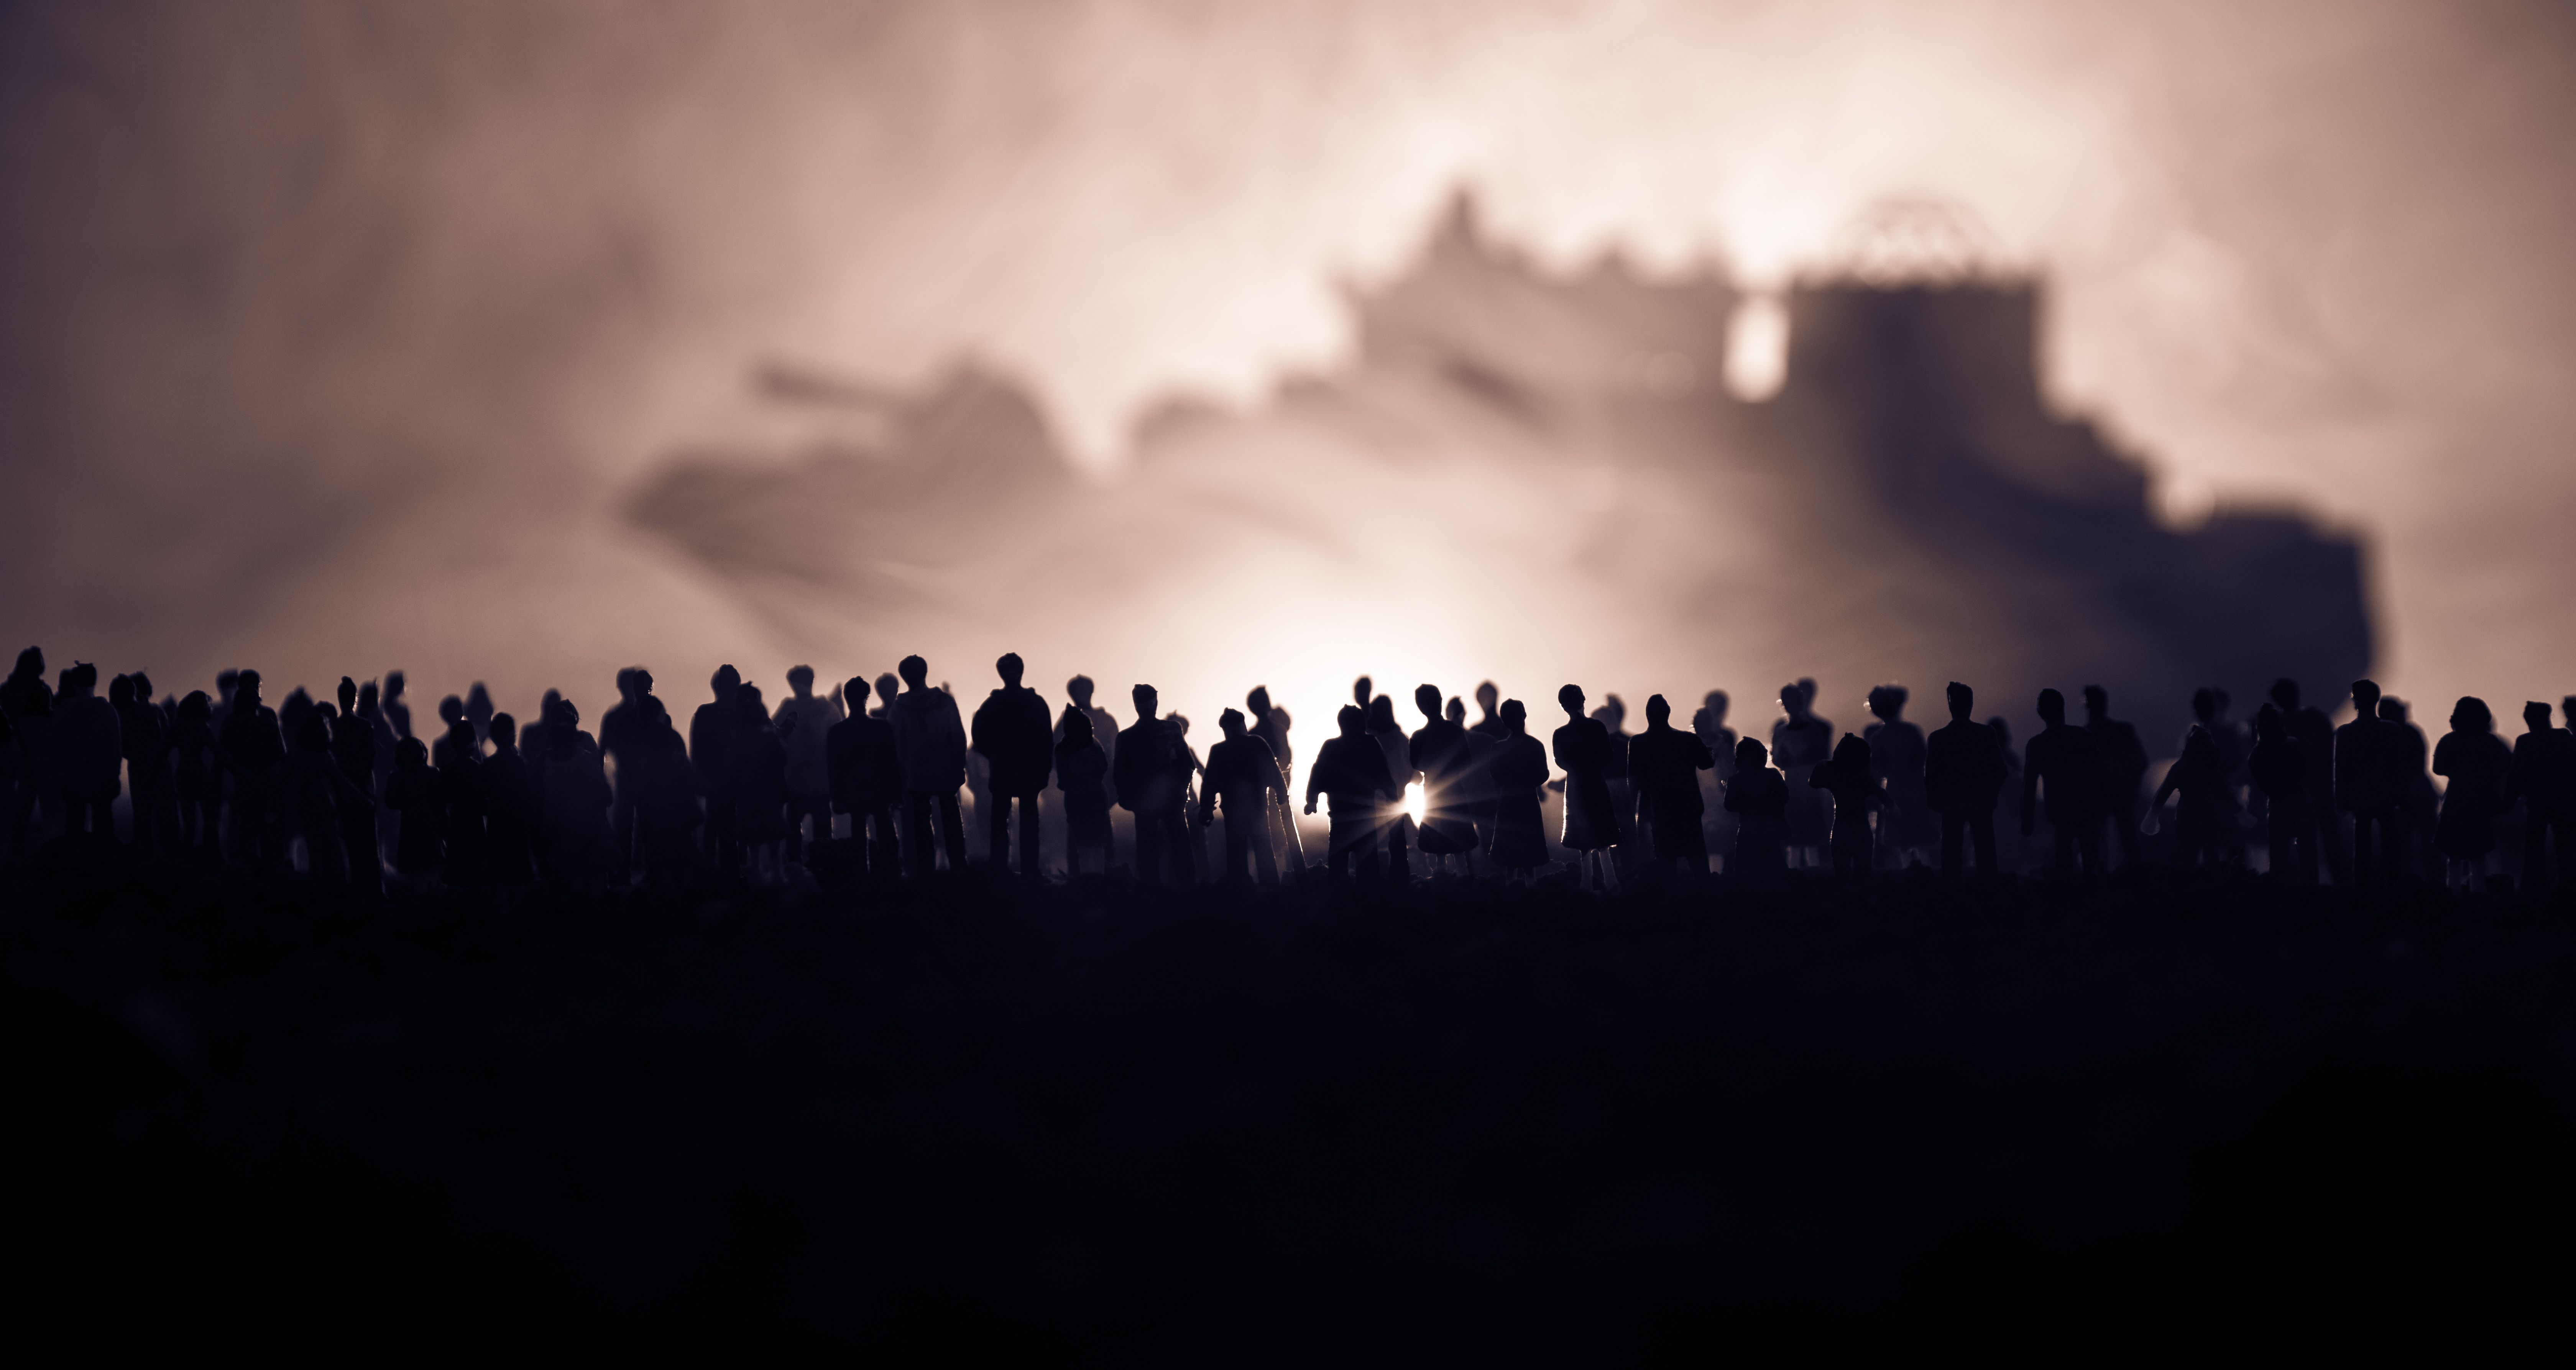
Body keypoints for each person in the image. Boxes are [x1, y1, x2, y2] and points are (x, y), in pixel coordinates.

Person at [970, 653, 1053, 878]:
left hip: (1004, 771)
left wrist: (994, 755)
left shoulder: (992, 705)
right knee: (1026, 821)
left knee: (1001, 822)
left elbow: (979, 736)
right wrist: (1043, 767)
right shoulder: (1036, 703)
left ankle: (1001, 869)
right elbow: (1047, 740)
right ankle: (1028, 870)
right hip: (1026, 772)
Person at [1305, 704, 1401, 880]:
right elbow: (1385, 777)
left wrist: (1312, 800)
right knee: (1363, 865)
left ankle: (1345, 897)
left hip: (1345, 817)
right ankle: (1361, 897)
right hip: (1358, 817)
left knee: (1343, 863)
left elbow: (1317, 774)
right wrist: (1393, 800)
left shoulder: (1332, 746)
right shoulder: (1368, 744)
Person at [891, 656, 968, 877]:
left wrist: (902, 772)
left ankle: (927, 869)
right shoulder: (944, 701)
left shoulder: (900, 708)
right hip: (944, 770)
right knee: (950, 817)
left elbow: (895, 744)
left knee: (922, 823)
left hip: (917, 774)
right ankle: (958, 865)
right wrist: (958, 765)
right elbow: (958, 736)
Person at [1627, 694, 1714, 879]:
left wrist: (1632, 811)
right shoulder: (1689, 740)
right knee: (1697, 861)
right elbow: (1707, 763)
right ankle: (1709, 902)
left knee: (1666, 865)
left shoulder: (1638, 743)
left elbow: (1633, 781)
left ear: (1648, 715)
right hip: (1689, 809)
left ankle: (1671, 904)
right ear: (1668, 713)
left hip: (1658, 812)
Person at [1924, 683, 2006, 876]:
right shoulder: (1986, 734)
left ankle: (1953, 894)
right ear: (1971, 704)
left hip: (1951, 802)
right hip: (1980, 800)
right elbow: (2000, 771)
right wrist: (1991, 796)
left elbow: (1931, 776)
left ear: (1950, 705)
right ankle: (1989, 891)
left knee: (1951, 853)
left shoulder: (1937, 738)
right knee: (1985, 851)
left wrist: (1935, 800)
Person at [827, 676, 905, 880]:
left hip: (854, 793)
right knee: (888, 836)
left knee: (858, 837)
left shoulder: (837, 732)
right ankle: (892, 877)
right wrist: (897, 792)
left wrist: (836, 797)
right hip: (880, 792)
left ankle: (862, 877)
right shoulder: (882, 728)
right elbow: (892, 763)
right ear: (867, 698)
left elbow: (834, 769)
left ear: (846, 699)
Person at [1117, 684, 1196, 885]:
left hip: (1150, 801)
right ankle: (1187, 891)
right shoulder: (1170, 730)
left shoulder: (1127, 738)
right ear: (1156, 704)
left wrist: (1129, 801)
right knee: (1178, 847)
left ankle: (1153, 892)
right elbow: (1187, 765)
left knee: (1150, 849)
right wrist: (1180, 790)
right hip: (1165, 800)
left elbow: (1120, 775)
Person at [2431, 696, 2510, 892]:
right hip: (2480, 801)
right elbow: (2501, 767)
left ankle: (2454, 893)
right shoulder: (2491, 742)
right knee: (2478, 854)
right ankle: (2478, 893)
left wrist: (2457, 772)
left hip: (2456, 801)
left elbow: (2438, 767)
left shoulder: (2450, 740)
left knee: (2454, 855)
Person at [2022, 689, 2104, 877]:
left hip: (2059, 814)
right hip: (2088, 810)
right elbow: (2099, 774)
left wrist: (2027, 820)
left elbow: (2030, 786)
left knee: (2063, 866)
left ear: (2040, 712)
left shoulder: (2037, 745)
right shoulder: (2084, 736)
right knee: (2092, 867)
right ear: (2062, 709)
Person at [2271, 679, 2346, 884]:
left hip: (2294, 794)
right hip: (2322, 790)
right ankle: (2342, 885)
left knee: (2303, 844)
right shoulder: (2319, 719)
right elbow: (2332, 757)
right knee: (2331, 841)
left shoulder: (2277, 725)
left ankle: (2308, 887)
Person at [1199, 708, 1285, 885]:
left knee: (1238, 852)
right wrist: (1281, 793)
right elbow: (1274, 771)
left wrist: (1206, 809)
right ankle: (1270, 889)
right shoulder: (1257, 743)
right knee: (1262, 850)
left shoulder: (1220, 750)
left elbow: (1209, 783)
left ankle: (1241, 890)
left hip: (1236, 812)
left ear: (1226, 729)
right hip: (1254, 809)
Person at [2335, 679, 2407, 886]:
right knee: (2390, 848)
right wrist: (2403, 796)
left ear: (2356, 703)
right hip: (2388, 796)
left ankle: (2362, 890)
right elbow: (2400, 767)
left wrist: (2341, 799)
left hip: (2360, 798)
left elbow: (2341, 770)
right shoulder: (2392, 730)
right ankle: (2391, 889)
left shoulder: (2345, 733)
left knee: (2362, 848)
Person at [2504, 701, 2576, 894]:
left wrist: (2509, 800)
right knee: (2565, 845)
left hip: (2538, 802)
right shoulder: (2564, 737)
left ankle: (2535, 886)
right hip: (2563, 800)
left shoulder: (2525, 742)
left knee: (2535, 845)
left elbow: (2516, 774)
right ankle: (2568, 885)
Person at [1553, 684, 1620, 892]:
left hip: (1575, 787)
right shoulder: (1597, 728)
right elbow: (1608, 756)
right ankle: (1611, 882)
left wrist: (1576, 767)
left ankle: (1587, 884)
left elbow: (1560, 761)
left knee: (1582, 840)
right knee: (1603, 836)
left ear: (1564, 707)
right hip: (1596, 784)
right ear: (1583, 700)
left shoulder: (1560, 734)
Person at [1408, 683, 1479, 872]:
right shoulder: (1455, 731)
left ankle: (1442, 874)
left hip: (1433, 789)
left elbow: (1416, 764)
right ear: (1440, 701)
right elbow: (1466, 760)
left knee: (1436, 830)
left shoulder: (1418, 736)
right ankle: (1462, 875)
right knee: (1457, 831)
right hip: (1454, 788)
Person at [2147, 726, 2240, 870]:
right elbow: (2224, 794)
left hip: (2189, 820)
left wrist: (2153, 817)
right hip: (2205, 820)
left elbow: (2163, 794)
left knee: (2192, 857)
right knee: (2208, 857)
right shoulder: (2209, 770)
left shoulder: (2182, 768)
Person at [221, 670, 287, 870]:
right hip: (263, 783)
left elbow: (223, 754)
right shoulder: (267, 718)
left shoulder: (230, 720)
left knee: (242, 829)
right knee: (264, 828)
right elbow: (281, 753)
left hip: (242, 782)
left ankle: (240, 868)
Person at [1864, 685, 1932, 869]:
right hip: (1917, 790)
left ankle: (1905, 877)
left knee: (1901, 844)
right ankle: (1930, 877)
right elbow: (1921, 759)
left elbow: (1879, 769)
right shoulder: (1912, 731)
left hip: (1895, 792)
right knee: (1921, 841)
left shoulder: (1878, 737)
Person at [2082, 686, 2148, 869]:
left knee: (2096, 840)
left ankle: (2098, 878)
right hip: (2119, 793)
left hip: (2100, 795)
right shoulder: (2123, 731)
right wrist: (2130, 787)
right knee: (2128, 839)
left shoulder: (2086, 735)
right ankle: (2137, 876)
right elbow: (2141, 761)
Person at [600, 666, 656, 882]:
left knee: (630, 826)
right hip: (637, 779)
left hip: (631, 778)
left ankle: (627, 871)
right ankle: (635, 870)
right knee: (635, 826)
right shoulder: (650, 715)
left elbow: (602, 749)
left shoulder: (616, 717)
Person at [1485, 700, 1551, 881]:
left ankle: (1511, 888)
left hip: (1507, 804)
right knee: (1529, 849)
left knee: (1509, 851)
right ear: (1524, 716)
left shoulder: (1497, 748)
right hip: (1529, 802)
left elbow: (1495, 776)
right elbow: (1543, 775)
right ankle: (1531, 888)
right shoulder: (1536, 746)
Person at [55, 663, 121, 843]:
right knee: (104, 833)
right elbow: (115, 747)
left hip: (73, 781)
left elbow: (56, 746)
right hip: (102, 781)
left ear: (74, 684)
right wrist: (114, 775)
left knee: (74, 832)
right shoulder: (107, 710)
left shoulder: (63, 711)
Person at [732, 684, 790, 886]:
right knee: (773, 833)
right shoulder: (770, 739)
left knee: (752, 835)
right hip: (771, 792)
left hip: (748, 792)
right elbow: (782, 761)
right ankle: (776, 872)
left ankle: (756, 871)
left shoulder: (738, 740)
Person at [1771, 681, 1833, 868]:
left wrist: (1791, 760)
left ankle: (1802, 873)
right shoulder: (1812, 729)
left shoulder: (1783, 731)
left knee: (1804, 831)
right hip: (1799, 783)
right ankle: (1809, 874)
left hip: (1800, 783)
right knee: (1802, 831)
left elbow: (1777, 759)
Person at [330, 676, 382, 893]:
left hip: (341, 791)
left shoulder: (333, 727)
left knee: (351, 843)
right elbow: (370, 756)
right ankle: (375, 889)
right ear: (354, 699)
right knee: (369, 844)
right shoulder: (364, 726)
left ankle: (356, 888)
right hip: (363, 789)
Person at [691, 665, 744, 874]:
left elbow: (696, 751)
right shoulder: (744, 714)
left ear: (716, 687)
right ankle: (734, 872)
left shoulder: (704, 713)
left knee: (712, 827)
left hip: (713, 781)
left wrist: (698, 779)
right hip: (738, 781)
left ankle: (710, 872)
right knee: (735, 829)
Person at [1247, 686, 1305, 874]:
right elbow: (1286, 757)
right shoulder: (1272, 730)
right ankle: (1291, 872)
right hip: (1276, 789)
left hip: (1271, 789)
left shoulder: (1256, 732)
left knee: (1275, 831)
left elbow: (1285, 758)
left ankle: (1284, 874)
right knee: (1281, 831)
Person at [1808, 733, 1882, 875]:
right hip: (1859, 824)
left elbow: (1814, 783)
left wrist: (1820, 766)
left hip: (1843, 824)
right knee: (1862, 865)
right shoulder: (1864, 777)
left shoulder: (1837, 776)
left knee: (1843, 865)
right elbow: (1879, 793)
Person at [2247, 704, 2306, 879]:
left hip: (2276, 806)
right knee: (2302, 855)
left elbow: (2262, 783)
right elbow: (2303, 773)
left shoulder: (2256, 756)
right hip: (2299, 804)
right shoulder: (2293, 745)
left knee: (2278, 856)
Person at [1055, 706, 1113, 876]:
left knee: (1080, 839)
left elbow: (1062, 779)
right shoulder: (1095, 745)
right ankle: (1100, 875)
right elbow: (1104, 766)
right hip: (1096, 793)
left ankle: (1083, 876)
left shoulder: (1062, 749)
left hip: (1075, 797)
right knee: (1099, 839)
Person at [480, 713, 535, 886]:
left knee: (499, 877)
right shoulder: (520, 764)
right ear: (512, 735)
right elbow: (528, 797)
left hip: (497, 826)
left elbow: (483, 800)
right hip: (517, 827)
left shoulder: (488, 766)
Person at [1723, 737, 1790, 877]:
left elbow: (1729, 805)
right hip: (1768, 828)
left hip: (1747, 829)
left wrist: (1746, 804)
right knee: (1775, 868)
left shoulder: (1735, 780)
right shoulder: (1772, 775)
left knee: (1746, 870)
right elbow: (1784, 797)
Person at [1364, 694, 1414, 882]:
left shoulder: (1368, 739)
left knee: (1376, 842)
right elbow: (1410, 768)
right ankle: (1400, 876)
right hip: (1398, 798)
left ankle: (1378, 878)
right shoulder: (1401, 738)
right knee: (1399, 839)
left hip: (1374, 800)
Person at [383, 737, 445, 888]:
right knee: (435, 876)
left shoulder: (396, 778)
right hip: (432, 830)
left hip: (409, 830)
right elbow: (443, 799)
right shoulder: (433, 774)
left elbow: (390, 802)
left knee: (415, 879)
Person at [170, 692, 222, 858]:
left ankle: (185, 855)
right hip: (199, 774)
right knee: (209, 819)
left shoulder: (178, 727)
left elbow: (162, 750)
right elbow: (217, 752)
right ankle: (211, 855)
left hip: (183, 774)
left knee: (189, 821)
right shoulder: (203, 727)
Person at [437, 717, 486, 885]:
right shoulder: (479, 770)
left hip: (456, 827)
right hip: (476, 828)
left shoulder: (446, 771)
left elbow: (442, 802)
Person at [1694, 691, 1738, 869]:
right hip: (1707, 799)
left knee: (1720, 846)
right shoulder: (1721, 739)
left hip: (1718, 798)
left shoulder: (1726, 738)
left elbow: (1729, 769)